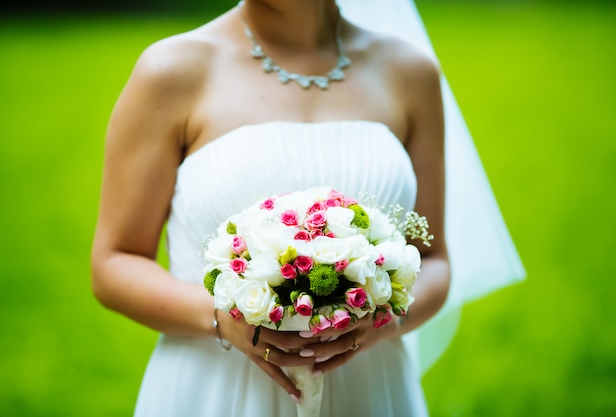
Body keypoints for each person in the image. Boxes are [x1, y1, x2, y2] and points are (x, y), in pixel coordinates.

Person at [91, 0, 524, 416]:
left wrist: (379, 323)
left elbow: (434, 260)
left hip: (369, 385)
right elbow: (114, 262)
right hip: (217, 384)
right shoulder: (171, 71)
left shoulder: (409, 72)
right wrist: (223, 319)